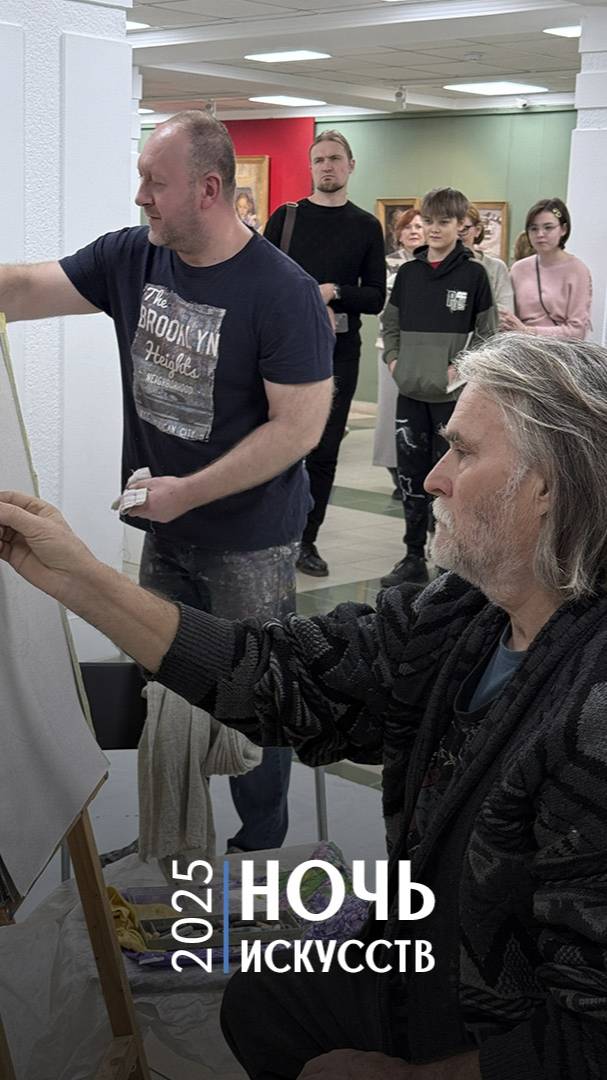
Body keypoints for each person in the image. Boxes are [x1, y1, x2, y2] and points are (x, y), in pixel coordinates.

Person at [3, 331, 607, 1079]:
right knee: (264, 1002)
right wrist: (81, 581)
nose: (432, 478)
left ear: (549, 487)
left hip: (501, 1020)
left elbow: (590, 1036)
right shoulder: (464, 613)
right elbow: (287, 676)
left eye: (461, 451)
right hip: (434, 952)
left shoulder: (590, 712)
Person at [0, 109, 334, 854]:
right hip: (168, 530)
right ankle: (172, 843)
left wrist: (188, 492)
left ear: (208, 189)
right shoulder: (132, 257)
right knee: (171, 687)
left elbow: (298, 429)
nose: (140, 196)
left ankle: (261, 848)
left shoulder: (282, 291)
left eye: (155, 182)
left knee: (257, 697)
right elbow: (22, 290)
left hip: (249, 540)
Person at [264, 130, 385, 578]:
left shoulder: (365, 226)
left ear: (351, 165)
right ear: (310, 167)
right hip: (284, 350)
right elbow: (262, 281)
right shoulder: (287, 218)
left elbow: (375, 296)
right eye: (319, 160)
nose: (327, 166)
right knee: (276, 441)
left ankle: (306, 539)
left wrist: (333, 292)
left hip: (339, 352)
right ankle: (269, 531)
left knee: (324, 448)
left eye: (335, 158)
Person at [380, 187, 497, 588]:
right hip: (409, 394)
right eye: (428, 221)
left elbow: (487, 336)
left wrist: (457, 371)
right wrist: (394, 361)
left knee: (450, 480)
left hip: (452, 400)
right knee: (411, 478)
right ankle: (413, 555)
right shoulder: (409, 273)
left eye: (444, 222)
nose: (434, 228)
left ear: (460, 225)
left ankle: (448, 560)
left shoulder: (474, 274)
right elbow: (389, 325)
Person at [373, 208, 425, 497]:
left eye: (419, 226)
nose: (414, 231)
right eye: (408, 227)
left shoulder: (433, 263)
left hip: (425, 350)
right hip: (391, 349)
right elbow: (382, 307)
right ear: (399, 234)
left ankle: (419, 471)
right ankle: (396, 472)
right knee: (389, 412)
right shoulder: (387, 264)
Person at [501, 197, 592, 340]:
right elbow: (508, 317)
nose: (540, 234)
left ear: (563, 229)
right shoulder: (518, 269)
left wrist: (527, 330)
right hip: (520, 347)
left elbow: (577, 331)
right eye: (534, 228)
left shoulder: (578, 271)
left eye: (548, 227)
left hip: (559, 349)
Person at [457, 205, 513, 312]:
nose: (456, 237)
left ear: (477, 230)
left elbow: (506, 313)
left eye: (463, 230)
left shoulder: (496, 267)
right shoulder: (438, 267)